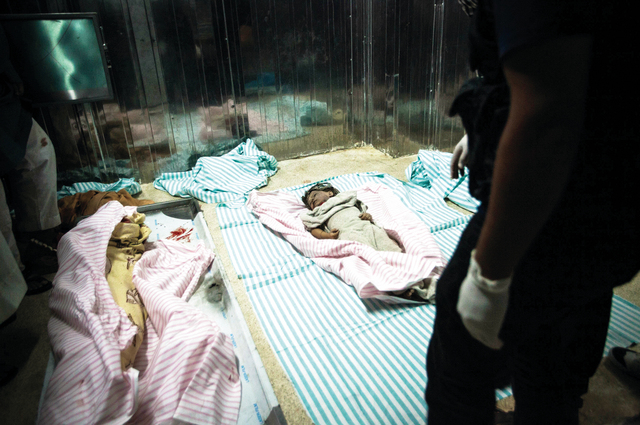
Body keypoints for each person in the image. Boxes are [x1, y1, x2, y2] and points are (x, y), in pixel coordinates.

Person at [425, 1, 639, 424]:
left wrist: (486, 281)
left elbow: (547, 119)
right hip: (615, 191)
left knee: (460, 354)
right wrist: (486, 132)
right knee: (553, 345)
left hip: (563, 197)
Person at [300, 182, 403, 252]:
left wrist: (367, 216)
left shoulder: (344, 199)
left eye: (314, 195)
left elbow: (361, 209)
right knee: (363, 248)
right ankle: (379, 265)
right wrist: (327, 235)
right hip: (346, 231)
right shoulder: (318, 212)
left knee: (382, 239)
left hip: (364, 224)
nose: (312, 200)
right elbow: (314, 229)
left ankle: (399, 259)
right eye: (310, 203)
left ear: (330, 193)